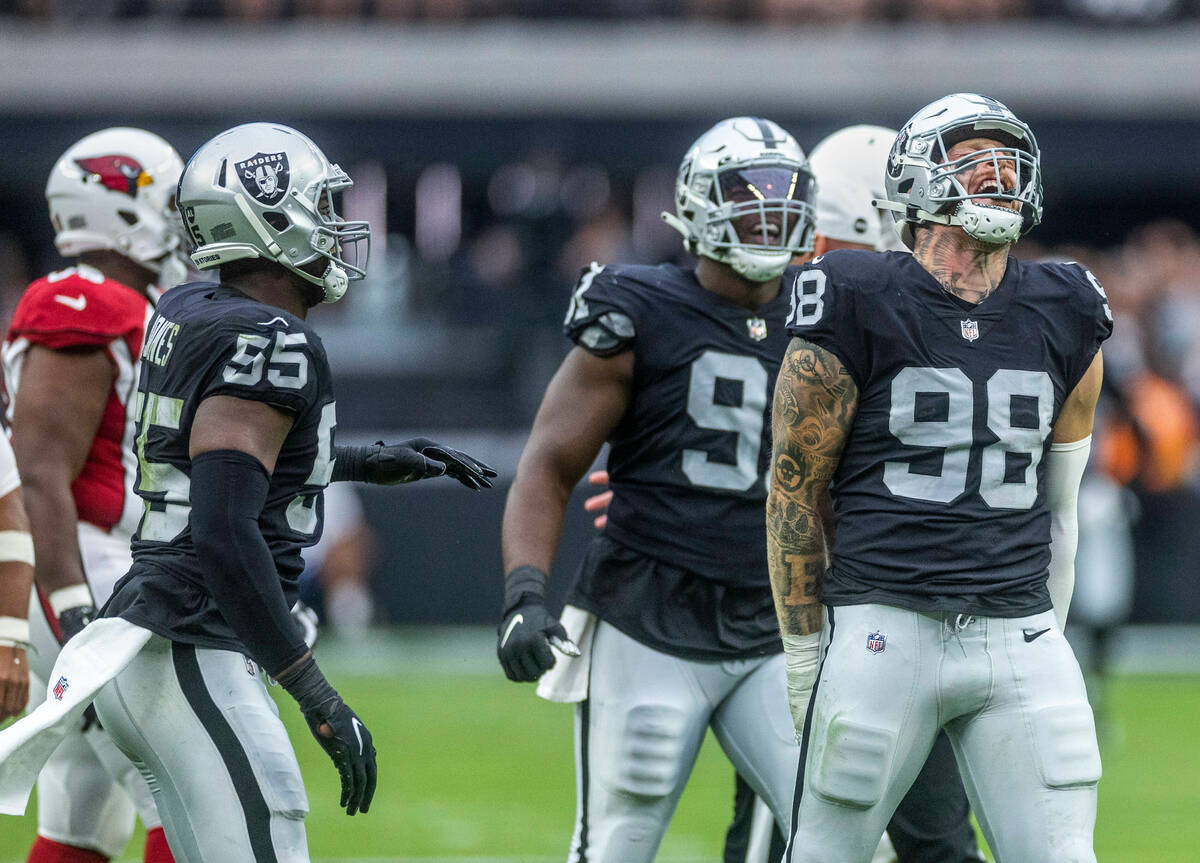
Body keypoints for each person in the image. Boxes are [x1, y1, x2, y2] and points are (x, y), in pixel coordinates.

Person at [0, 122, 496, 862]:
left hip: (144, 618)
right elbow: (224, 529)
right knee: (263, 835)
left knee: (102, 822)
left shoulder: (184, 311)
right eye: (318, 207)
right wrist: (313, 687)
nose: (333, 228)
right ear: (266, 215)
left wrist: (361, 459)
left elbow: (220, 459)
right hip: (192, 631)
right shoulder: (267, 338)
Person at [771, 93, 1109, 862]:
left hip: (1015, 626)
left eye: (1005, 156)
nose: (996, 173)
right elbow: (795, 492)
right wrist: (802, 652)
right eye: (971, 156)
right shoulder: (853, 293)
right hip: (884, 625)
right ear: (917, 180)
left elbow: (1063, 509)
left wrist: (1044, 636)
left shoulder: (1068, 305)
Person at [498, 116, 817, 862]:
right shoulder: (638, 306)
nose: (768, 216)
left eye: (782, 198)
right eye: (749, 198)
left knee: (840, 831)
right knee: (616, 841)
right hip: (649, 617)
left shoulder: (825, 310)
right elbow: (548, 462)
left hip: (773, 619)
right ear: (700, 206)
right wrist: (523, 593)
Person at [4, 126, 189, 863]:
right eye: (170, 202)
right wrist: (78, 607)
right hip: (83, 562)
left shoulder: (125, 305)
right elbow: (39, 469)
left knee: (84, 810)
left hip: (91, 561)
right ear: (121, 206)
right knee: (191, 791)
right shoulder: (84, 301)